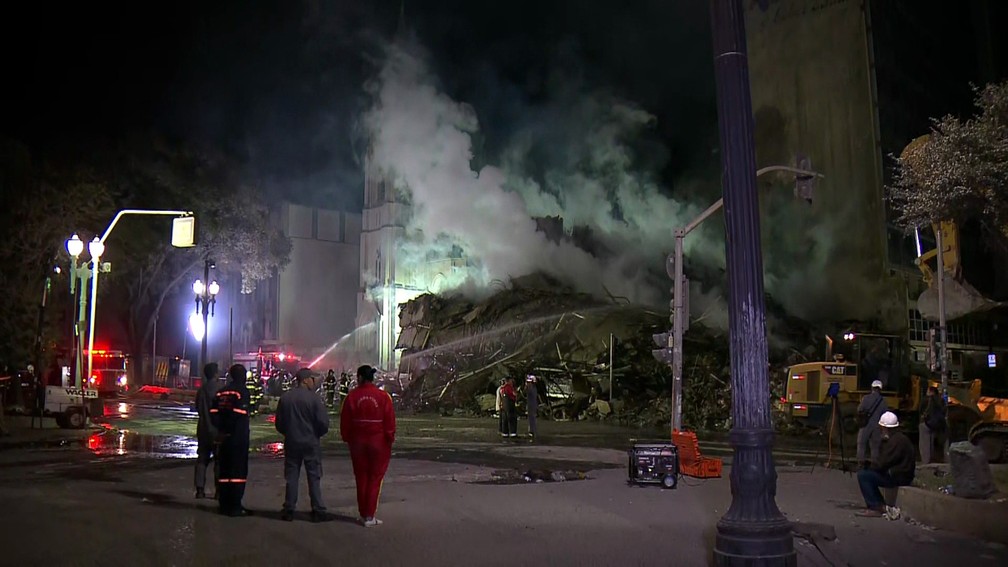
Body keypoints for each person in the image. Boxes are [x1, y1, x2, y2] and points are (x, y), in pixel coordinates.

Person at [341, 365, 396, 527]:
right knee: (374, 478)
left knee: (361, 477)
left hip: (357, 443)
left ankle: (363, 514)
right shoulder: (383, 397)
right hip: (378, 443)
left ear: (359, 377)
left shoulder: (351, 397)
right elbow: (390, 421)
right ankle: (370, 515)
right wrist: (389, 438)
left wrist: (347, 437)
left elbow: (345, 420)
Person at [276, 368, 330, 522]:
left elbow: (279, 423)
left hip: (292, 442)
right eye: (312, 379)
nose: (314, 382)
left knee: (292, 476)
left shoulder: (286, 398)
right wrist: (316, 434)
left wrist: (289, 433)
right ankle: (318, 510)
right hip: (310, 442)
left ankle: (289, 509)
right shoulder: (314, 399)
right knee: (314, 476)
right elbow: (323, 423)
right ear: (305, 380)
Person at [211, 364, 252, 517]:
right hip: (238, 438)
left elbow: (213, 412)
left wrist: (221, 429)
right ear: (242, 376)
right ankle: (235, 505)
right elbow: (239, 414)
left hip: (223, 437)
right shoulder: (242, 392)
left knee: (224, 471)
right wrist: (231, 429)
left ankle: (224, 504)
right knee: (238, 472)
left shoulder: (221, 392)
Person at [856, 411, 915, 517]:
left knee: (864, 475)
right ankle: (878, 504)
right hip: (900, 474)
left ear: (884, 427)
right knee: (867, 473)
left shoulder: (895, 441)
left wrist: (868, 465)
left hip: (898, 476)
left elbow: (882, 463)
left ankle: (876, 506)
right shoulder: (899, 438)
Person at [194, 363, 223, 499]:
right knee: (219, 461)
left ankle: (200, 489)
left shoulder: (202, 390)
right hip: (217, 429)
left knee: (202, 460)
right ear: (215, 374)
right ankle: (218, 490)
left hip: (203, 428)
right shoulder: (220, 390)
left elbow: (197, 408)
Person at [856, 380, 888, 469]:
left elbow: (859, 409)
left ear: (872, 388)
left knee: (861, 443)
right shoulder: (883, 401)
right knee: (875, 446)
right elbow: (885, 413)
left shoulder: (865, 398)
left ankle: (861, 463)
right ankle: (874, 463)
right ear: (880, 389)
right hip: (877, 426)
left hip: (865, 424)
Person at [919, 386, 947, 464]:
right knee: (931, 442)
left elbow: (920, 410)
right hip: (935, 424)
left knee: (924, 443)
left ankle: (925, 461)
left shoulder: (926, 400)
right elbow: (944, 410)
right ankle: (930, 459)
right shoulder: (940, 400)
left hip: (925, 423)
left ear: (931, 392)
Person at [525, 374, 538, 440]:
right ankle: (532, 431)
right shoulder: (533, 388)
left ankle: (532, 432)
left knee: (531, 419)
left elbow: (525, 392)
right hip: (532, 404)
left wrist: (526, 387)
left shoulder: (531, 389)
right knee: (532, 418)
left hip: (531, 405)